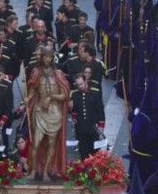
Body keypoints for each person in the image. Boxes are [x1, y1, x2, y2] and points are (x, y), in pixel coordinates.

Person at [26, 47, 70, 180]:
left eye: (50, 57)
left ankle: (46, 172)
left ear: (53, 58)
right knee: (36, 142)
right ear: (42, 57)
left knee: (52, 144)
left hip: (55, 113)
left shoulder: (58, 74)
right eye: (45, 56)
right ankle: (33, 170)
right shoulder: (36, 72)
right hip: (40, 111)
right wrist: (27, 99)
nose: (47, 59)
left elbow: (65, 95)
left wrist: (51, 97)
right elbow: (32, 92)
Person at [70, 73, 105, 159]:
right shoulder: (74, 95)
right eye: (78, 85)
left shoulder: (95, 93)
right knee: (83, 154)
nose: (80, 86)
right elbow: (74, 112)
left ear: (85, 81)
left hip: (93, 130)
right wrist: (70, 108)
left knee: (95, 155)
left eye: (81, 84)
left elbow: (100, 112)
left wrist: (101, 130)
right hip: (81, 130)